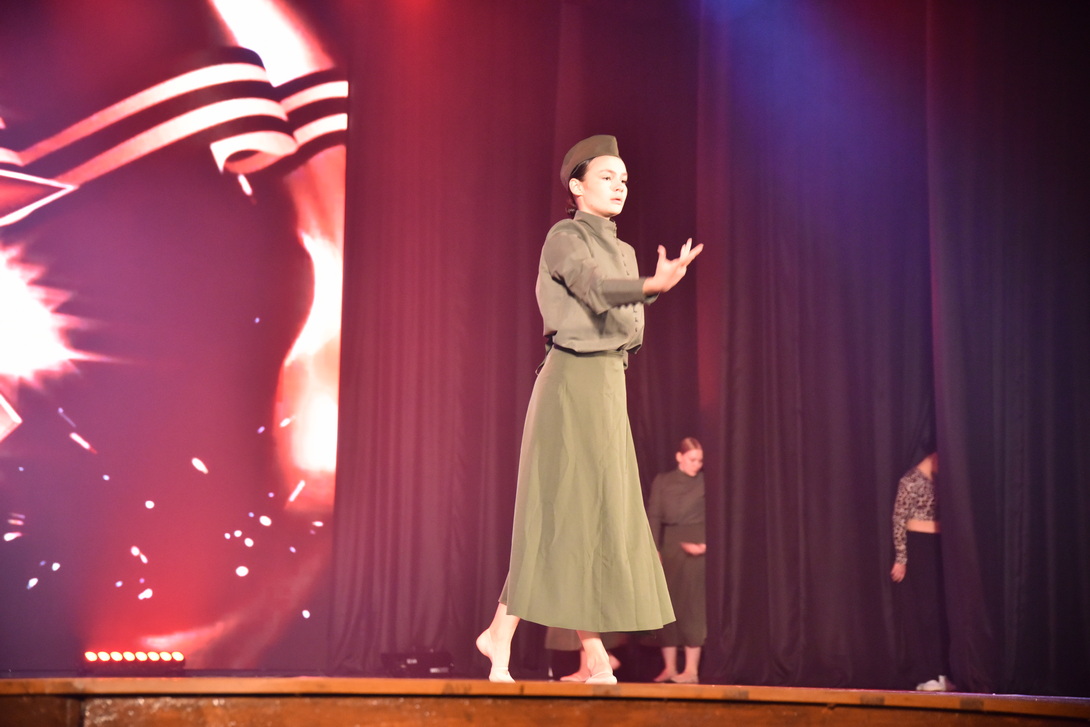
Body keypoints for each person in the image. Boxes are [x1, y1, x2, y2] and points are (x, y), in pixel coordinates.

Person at [476, 135, 703, 684]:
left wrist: (649, 286)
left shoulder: (625, 251)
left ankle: (543, 643)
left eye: (624, 178)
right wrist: (651, 285)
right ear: (577, 187)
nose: (619, 185)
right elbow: (594, 287)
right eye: (606, 176)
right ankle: (532, 640)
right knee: (559, 511)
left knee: (597, 516)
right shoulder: (564, 237)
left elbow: (628, 322)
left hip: (609, 383)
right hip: (571, 380)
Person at [890, 452, 954, 691]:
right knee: (924, 612)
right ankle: (926, 675)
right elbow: (899, 520)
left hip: (938, 546)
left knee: (939, 611)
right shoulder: (910, 480)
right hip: (919, 547)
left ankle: (941, 672)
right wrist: (901, 558)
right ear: (934, 456)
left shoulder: (940, 482)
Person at [645, 437, 707, 684]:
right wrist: (653, 549)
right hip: (669, 546)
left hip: (696, 546)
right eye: (692, 459)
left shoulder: (704, 482)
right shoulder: (663, 481)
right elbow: (654, 515)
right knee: (667, 606)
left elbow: (717, 516)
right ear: (679, 457)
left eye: (700, 460)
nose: (697, 465)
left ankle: (691, 670)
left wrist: (705, 545)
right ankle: (670, 667)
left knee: (692, 606)